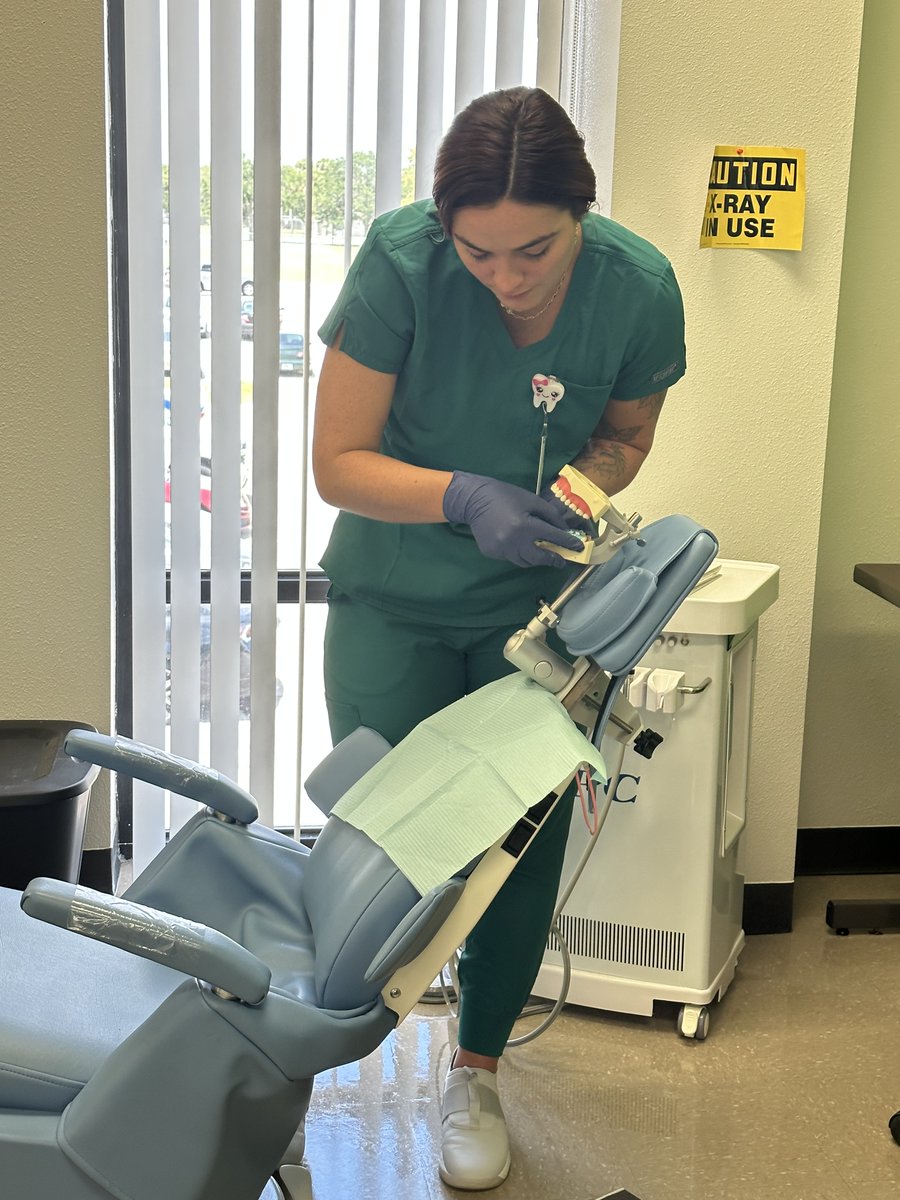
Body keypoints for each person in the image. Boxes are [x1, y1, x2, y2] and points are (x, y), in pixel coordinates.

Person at [312, 86, 685, 1191]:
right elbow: (338, 462)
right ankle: (320, 1046)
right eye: (480, 253)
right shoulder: (399, 263)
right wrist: (465, 497)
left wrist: (578, 488)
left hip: (536, 618)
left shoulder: (638, 287)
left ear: (584, 215)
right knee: (380, 838)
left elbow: (626, 434)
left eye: (537, 249)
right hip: (392, 599)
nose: (509, 279)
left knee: (517, 851)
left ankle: (473, 1068)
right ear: (444, 228)